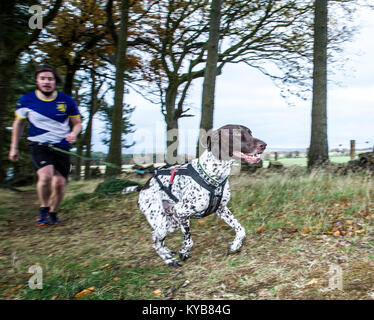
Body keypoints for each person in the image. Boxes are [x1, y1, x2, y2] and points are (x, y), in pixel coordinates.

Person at [9, 65, 82, 225]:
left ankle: (53, 212)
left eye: (50, 79)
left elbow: (77, 123)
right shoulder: (26, 100)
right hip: (39, 145)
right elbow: (19, 124)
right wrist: (14, 147)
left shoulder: (66, 100)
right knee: (46, 176)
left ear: (55, 81)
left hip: (62, 146)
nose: (46, 82)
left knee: (60, 183)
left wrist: (73, 134)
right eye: (43, 78)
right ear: (37, 81)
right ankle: (43, 208)